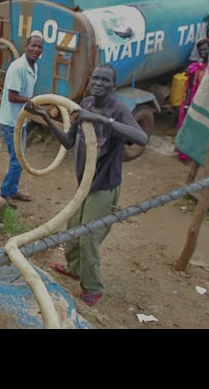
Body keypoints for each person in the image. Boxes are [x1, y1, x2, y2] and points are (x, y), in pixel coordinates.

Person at [25, 63, 148, 307]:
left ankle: (93, 287)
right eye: (96, 79)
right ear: (90, 81)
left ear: (113, 86)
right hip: (84, 184)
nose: (99, 84)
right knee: (73, 228)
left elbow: (141, 138)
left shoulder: (118, 110)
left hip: (103, 186)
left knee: (89, 236)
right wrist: (43, 118)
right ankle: (73, 268)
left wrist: (104, 120)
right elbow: (69, 142)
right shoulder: (85, 105)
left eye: (105, 81)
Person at [0, 32, 43, 208]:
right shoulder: (18, 68)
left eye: (39, 47)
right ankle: (5, 192)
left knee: (20, 158)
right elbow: (12, 96)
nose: (36, 49)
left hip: (21, 120)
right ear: (26, 47)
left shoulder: (34, 67)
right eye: (33, 45)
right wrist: (30, 101)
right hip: (11, 121)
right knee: (17, 160)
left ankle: (13, 189)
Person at [177, 37, 209, 162]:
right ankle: (184, 154)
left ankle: (195, 154)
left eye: (205, 49)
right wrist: (186, 104)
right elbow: (190, 87)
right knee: (188, 127)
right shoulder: (195, 68)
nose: (202, 52)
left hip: (206, 102)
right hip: (193, 100)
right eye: (200, 50)